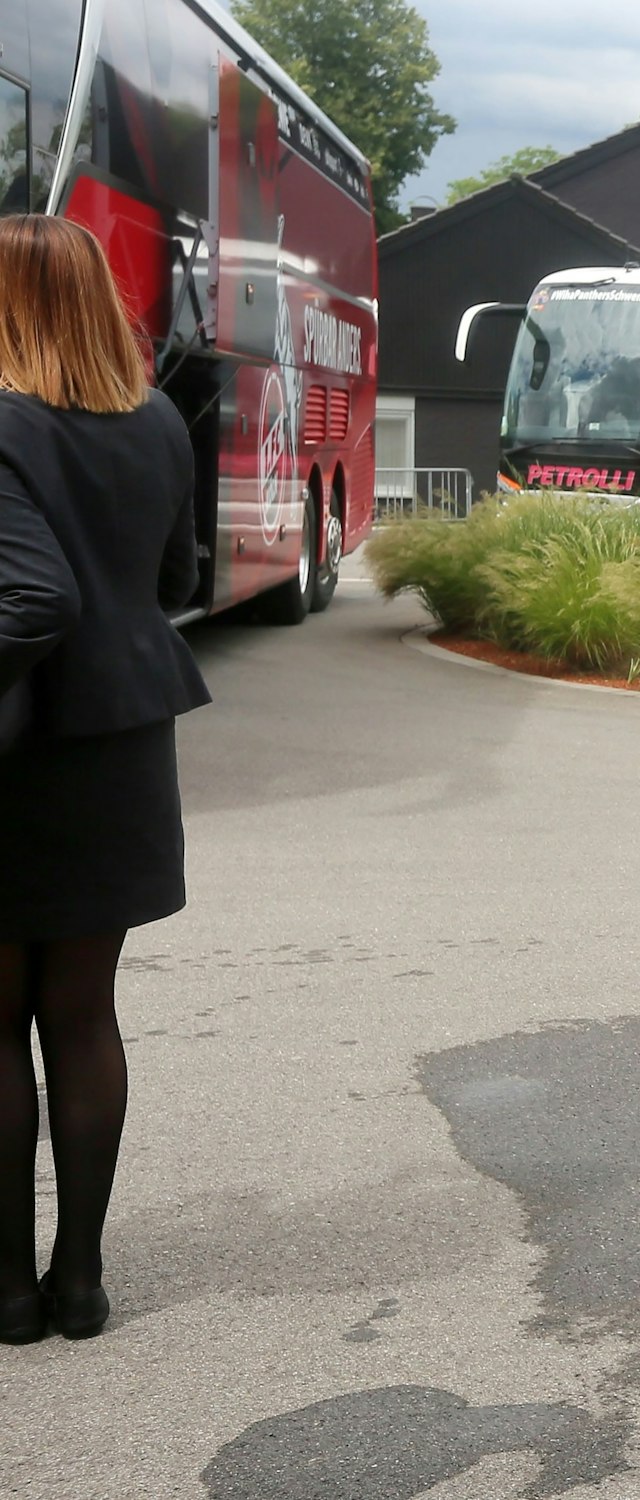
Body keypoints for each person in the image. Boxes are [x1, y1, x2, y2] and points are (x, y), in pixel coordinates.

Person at [0, 214, 210, 1344]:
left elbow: (35, 599)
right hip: (123, 746)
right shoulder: (160, 420)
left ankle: (7, 1295)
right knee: (83, 1016)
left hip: (18, 755)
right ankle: (79, 1283)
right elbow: (174, 582)